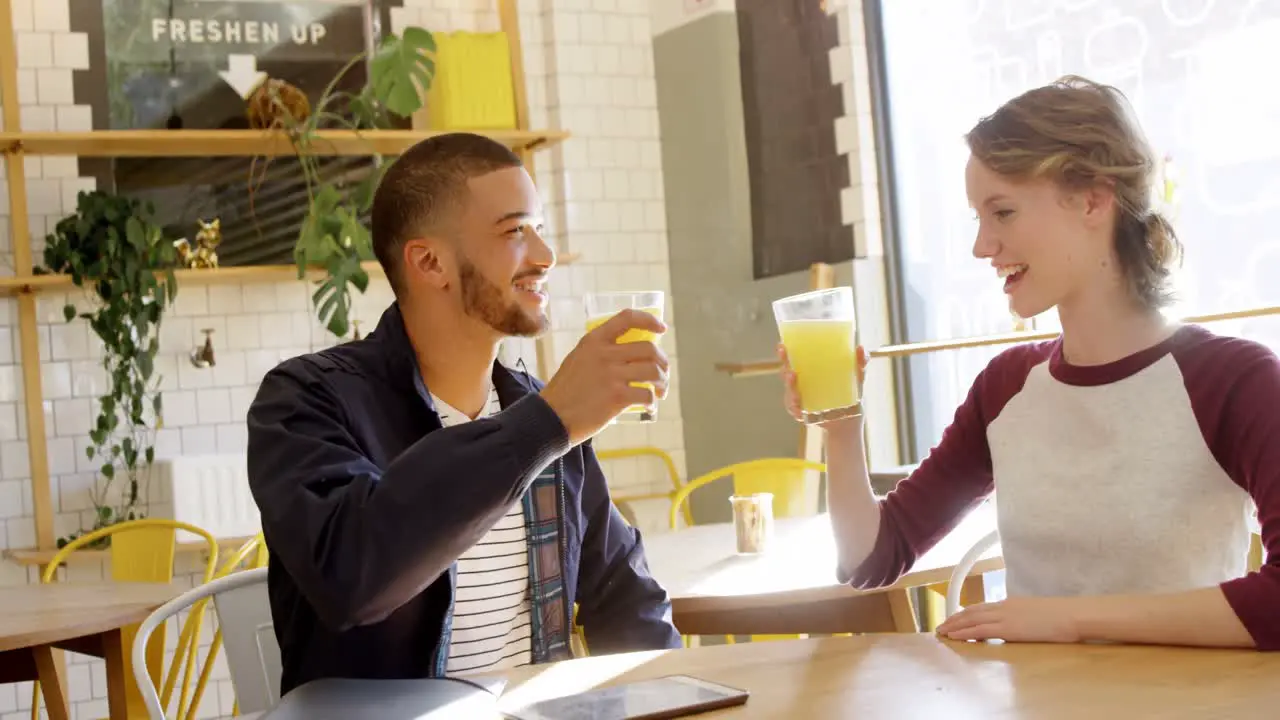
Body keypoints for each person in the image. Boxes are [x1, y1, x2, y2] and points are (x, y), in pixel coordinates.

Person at [782, 76, 1279, 650]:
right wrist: (842, 430)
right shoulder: (1006, 387)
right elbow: (870, 557)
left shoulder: (1233, 381)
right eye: (978, 218)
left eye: (1004, 212)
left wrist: (1069, 620)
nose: (982, 247)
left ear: (1094, 199)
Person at [247, 132, 682, 696]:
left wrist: (682, 695)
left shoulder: (542, 412)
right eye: (515, 231)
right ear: (430, 262)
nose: (545, 258)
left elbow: (628, 606)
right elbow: (351, 575)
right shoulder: (306, 399)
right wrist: (547, 425)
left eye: (541, 230)